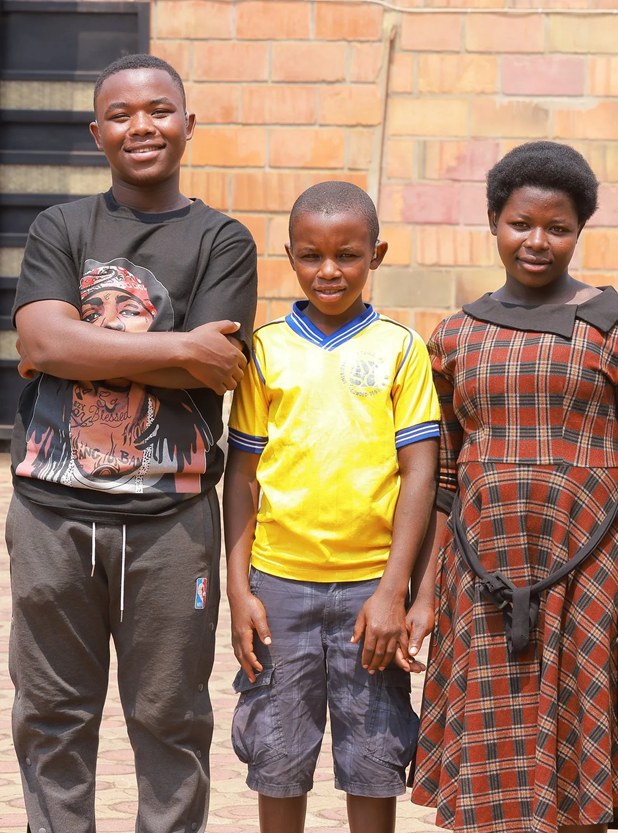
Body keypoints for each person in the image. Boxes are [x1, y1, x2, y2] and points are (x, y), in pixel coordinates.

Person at [407, 140, 618, 833]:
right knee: (488, 779)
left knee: (580, 774)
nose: (537, 241)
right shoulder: (454, 336)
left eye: (557, 227)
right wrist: (424, 593)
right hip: (480, 582)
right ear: (493, 221)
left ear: (579, 229)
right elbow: (444, 477)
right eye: (521, 224)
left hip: (590, 580)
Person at [7, 54, 257, 831]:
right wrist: (176, 347)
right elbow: (40, 340)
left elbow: (217, 367)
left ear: (188, 124)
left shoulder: (222, 239)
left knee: (172, 718)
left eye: (158, 110)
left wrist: (79, 345)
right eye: (120, 114)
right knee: (51, 715)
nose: (140, 126)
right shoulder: (61, 227)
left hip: (171, 524)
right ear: (96, 133)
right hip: (51, 517)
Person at [224, 181, 441, 833]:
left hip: (370, 591)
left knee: (374, 755)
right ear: (289, 254)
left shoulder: (400, 348)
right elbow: (242, 477)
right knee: (277, 753)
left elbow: (420, 473)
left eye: (347, 255)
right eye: (311, 255)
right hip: (278, 588)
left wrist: (395, 590)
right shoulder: (265, 350)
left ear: (376, 255)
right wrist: (239, 590)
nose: (329, 271)